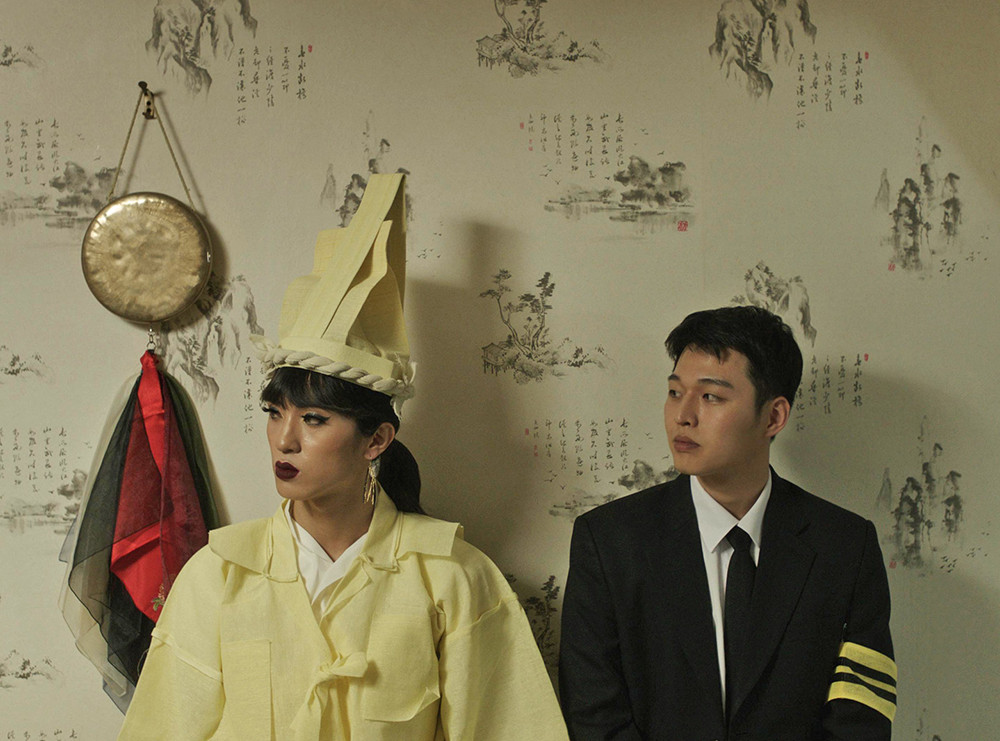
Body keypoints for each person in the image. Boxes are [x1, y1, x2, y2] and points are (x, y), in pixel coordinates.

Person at [118, 174, 568, 740]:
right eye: (275, 412)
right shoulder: (220, 573)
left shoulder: (451, 576)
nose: (284, 439)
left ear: (376, 440)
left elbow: (507, 729)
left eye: (314, 420)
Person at [559, 306, 896, 740]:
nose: (683, 416)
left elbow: (860, 719)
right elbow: (593, 715)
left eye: (711, 397)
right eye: (675, 392)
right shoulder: (610, 541)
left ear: (773, 417)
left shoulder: (845, 546)